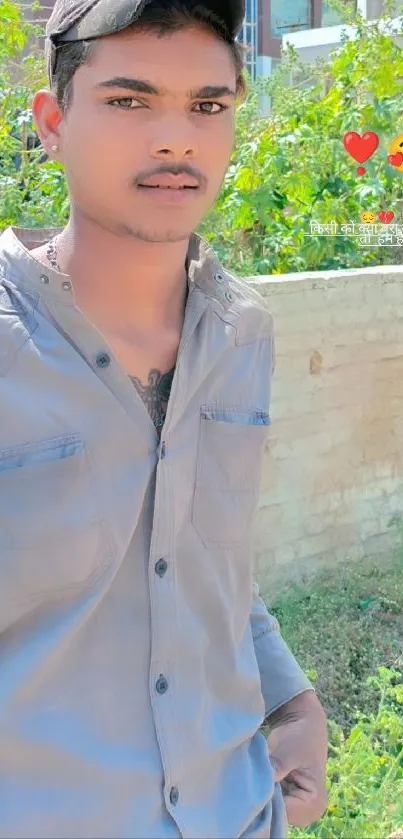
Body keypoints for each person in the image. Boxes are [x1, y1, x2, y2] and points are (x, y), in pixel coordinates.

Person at [0, 0, 327, 836]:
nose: (175, 138)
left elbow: (201, 557)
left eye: (206, 106)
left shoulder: (239, 332)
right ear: (52, 121)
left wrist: (291, 697)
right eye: (129, 101)